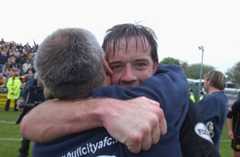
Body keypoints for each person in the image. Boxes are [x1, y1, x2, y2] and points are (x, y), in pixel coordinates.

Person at [22, 24, 219, 157]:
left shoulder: (181, 109)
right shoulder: (62, 115)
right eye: (117, 66)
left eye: (140, 65)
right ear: (104, 68)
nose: (128, 76)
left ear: (156, 66)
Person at [195, 70, 228, 151]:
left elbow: (203, 126)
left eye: (205, 80)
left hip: (205, 150)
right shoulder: (222, 97)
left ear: (209, 81)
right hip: (213, 148)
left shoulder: (212, 99)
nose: (204, 83)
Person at [16, 74, 45, 157]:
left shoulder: (48, 86)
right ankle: (23, 153)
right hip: (30, 110)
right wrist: (21, 101)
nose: (42, 81)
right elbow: (23, 95)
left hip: (42, 111)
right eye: (40, 79)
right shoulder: (30, 86)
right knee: (26, 135)